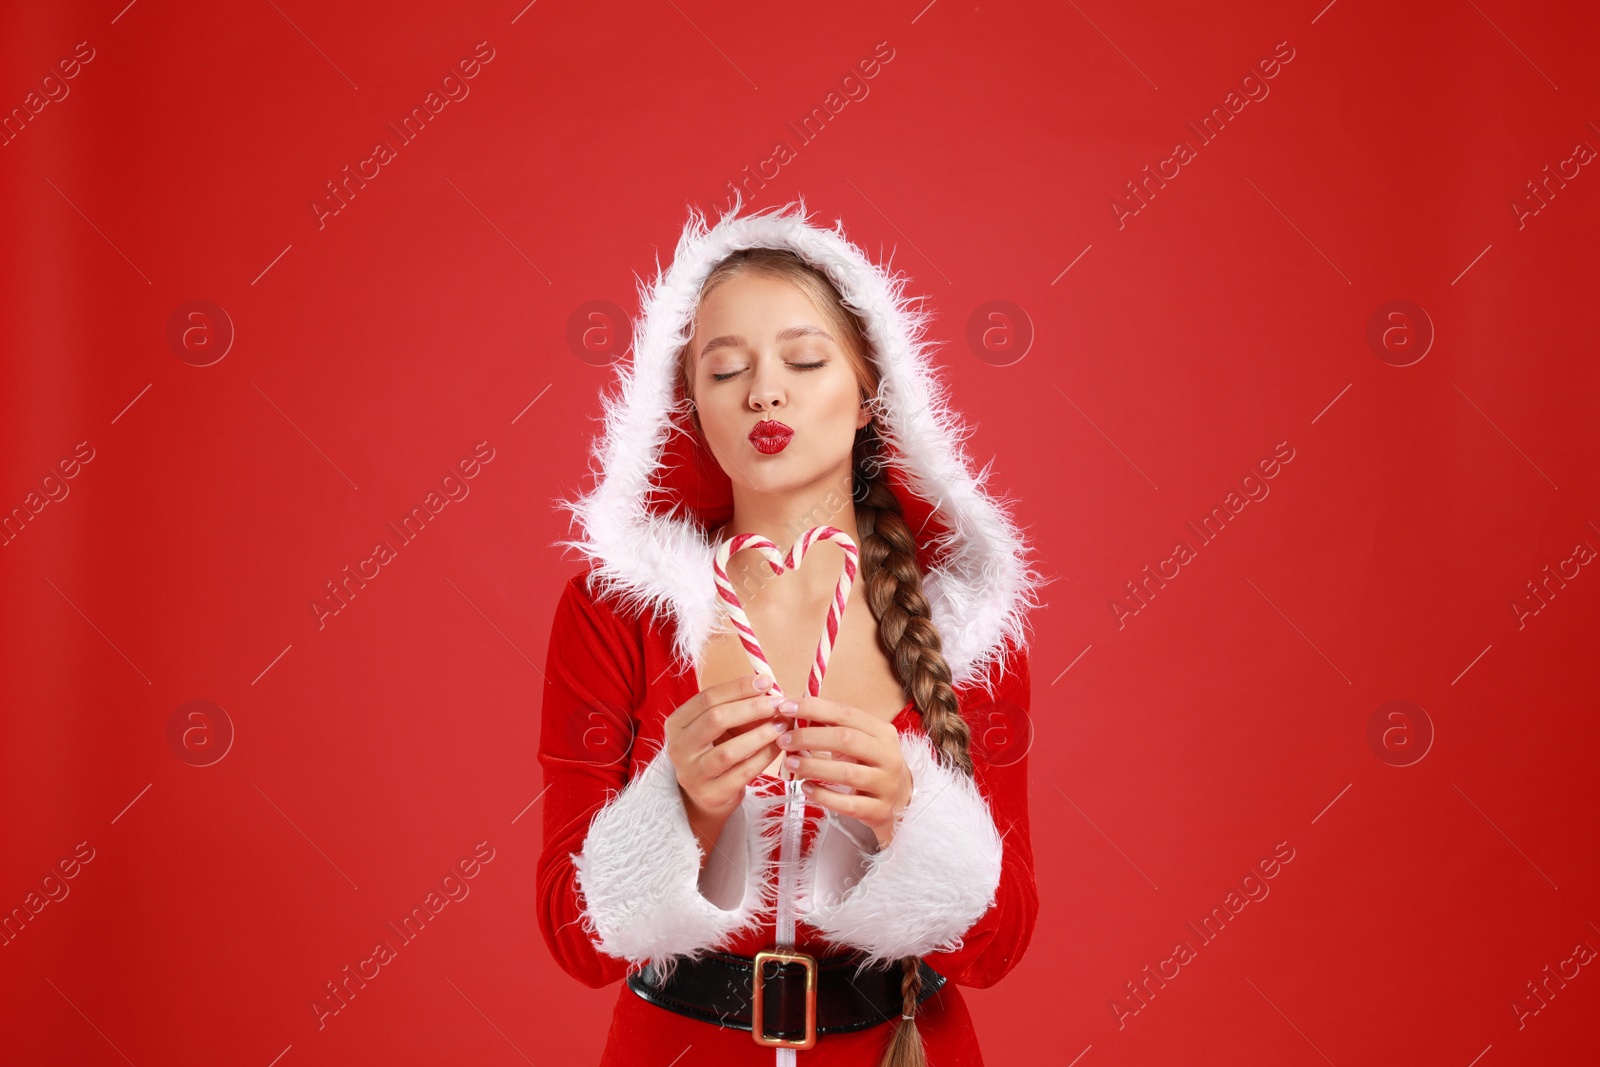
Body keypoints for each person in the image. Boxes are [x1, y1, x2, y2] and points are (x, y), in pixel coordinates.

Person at [536, 195, 1046, 1066]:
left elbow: (998, 950)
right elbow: (576, 941)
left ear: (867, 396)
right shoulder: (616, 613)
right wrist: (680, 806)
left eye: (805, 361)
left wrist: (908, 815)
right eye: (724, 370)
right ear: (689, 408)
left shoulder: (963, 627)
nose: (764, 390)